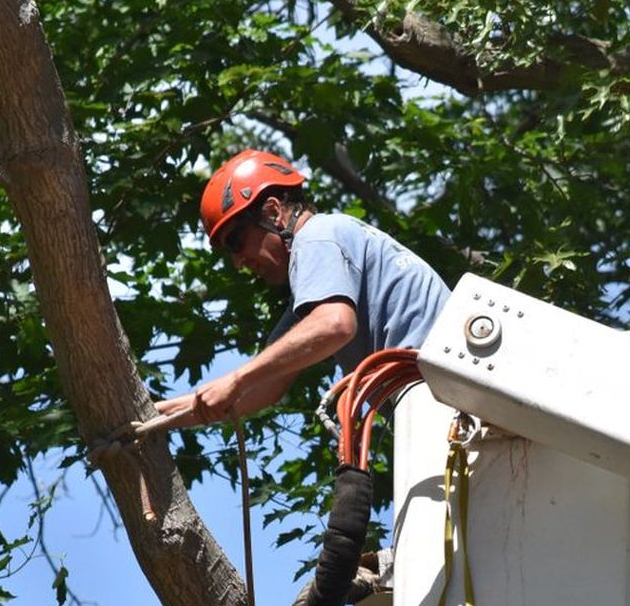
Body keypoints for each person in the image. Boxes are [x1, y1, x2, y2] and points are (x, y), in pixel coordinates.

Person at [154, 149, 451, 427]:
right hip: (445, 401)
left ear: (272, 213)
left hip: (441, 397)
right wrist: (156, 416)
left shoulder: (316, 235)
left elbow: (335, 325)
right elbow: (263, 389)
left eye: (236, 242)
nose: (238, 262)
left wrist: (236, 379)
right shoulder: (319, 293)